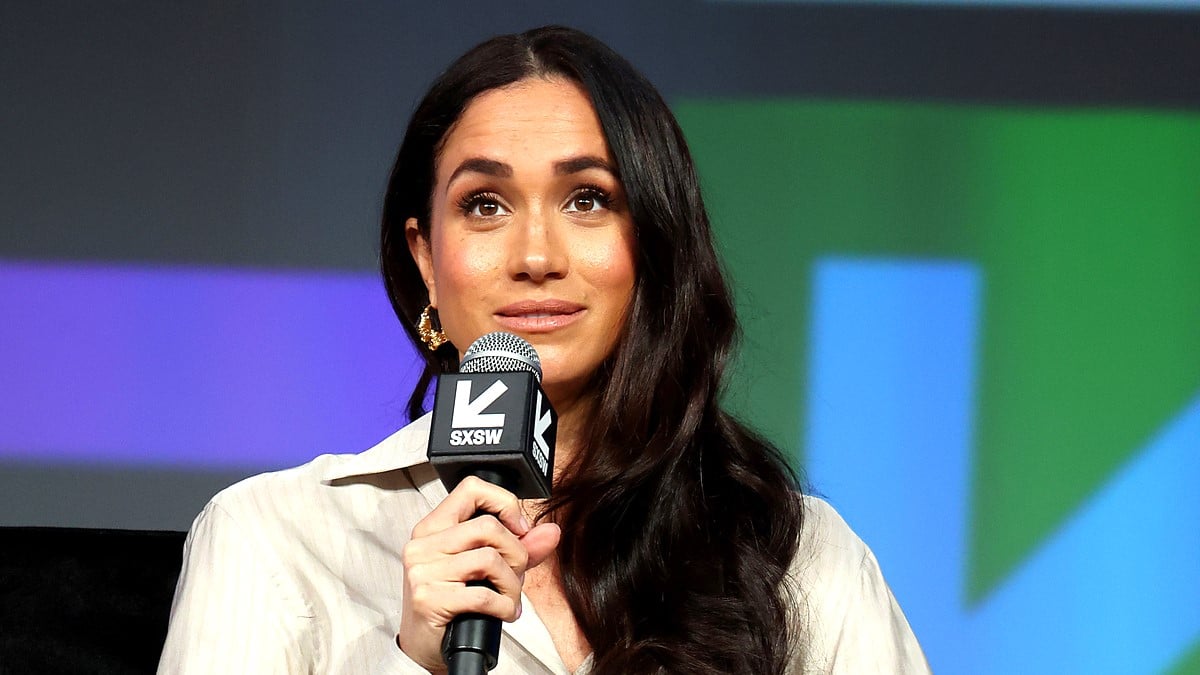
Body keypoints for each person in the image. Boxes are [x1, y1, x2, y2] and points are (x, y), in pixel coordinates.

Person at [158, 25, 929, 675]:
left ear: (653, 245)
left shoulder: (795, 552)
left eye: (587, 198)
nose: (535, 254)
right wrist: (415, 660)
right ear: (426, 259)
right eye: (484, 204)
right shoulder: (273, 538)